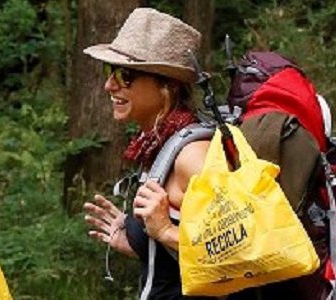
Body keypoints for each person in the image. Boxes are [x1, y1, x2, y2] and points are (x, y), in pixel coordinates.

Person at [80, 8, 210, 299]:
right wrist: (140, 243)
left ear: (167, 86)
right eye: (109, 72)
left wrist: (165, 231)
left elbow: (235, 255)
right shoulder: (158, 144)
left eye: (125, 75)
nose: (109, 85)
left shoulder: (192, 156)